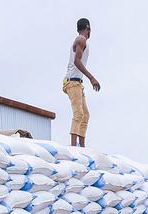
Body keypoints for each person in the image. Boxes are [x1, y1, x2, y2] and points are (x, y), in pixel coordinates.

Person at [63, 17, 100, 147]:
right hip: (72, 82)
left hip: (77, 83)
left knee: (85, 115)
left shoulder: (82, 41)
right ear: (88, 28)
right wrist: (92, 78)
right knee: (78, 113)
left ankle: (82, 148)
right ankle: (74, 148)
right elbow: (77, 61)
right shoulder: (81, 39)